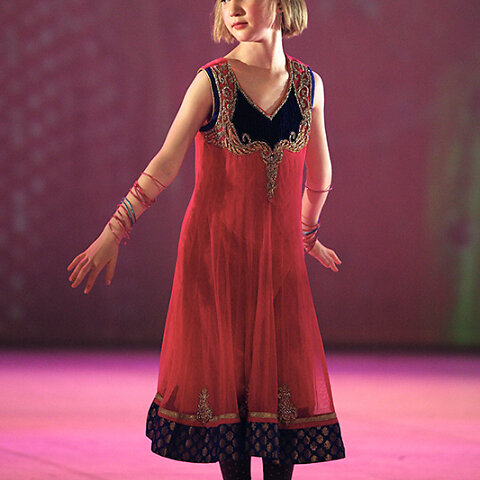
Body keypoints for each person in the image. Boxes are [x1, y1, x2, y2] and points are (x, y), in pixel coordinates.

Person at [67, 0, 346, 478]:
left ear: (280, 4)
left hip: (278, 262)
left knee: (281, 391)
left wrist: (306, 236)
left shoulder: (309, 86)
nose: (233, 7)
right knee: (226, 390)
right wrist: (115, 229)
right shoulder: (212, 82)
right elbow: (166, 163)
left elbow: (320, 177)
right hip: (215, 257)